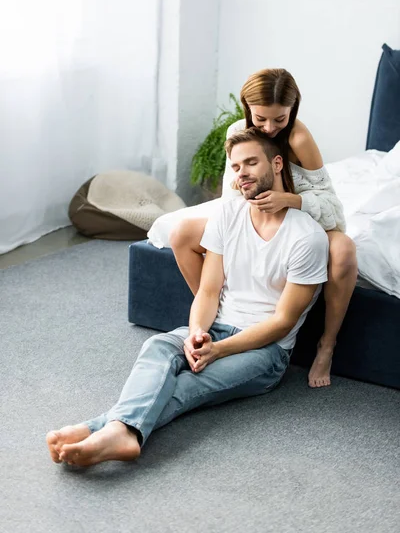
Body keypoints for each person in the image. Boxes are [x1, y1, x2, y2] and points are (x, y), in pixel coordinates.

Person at [46, 128, 329, 467]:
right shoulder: (229, 213)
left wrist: (218, 350)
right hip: (218, 327)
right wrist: (197, 332)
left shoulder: (307, 237)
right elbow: (209, 290)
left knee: (190, 383)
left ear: (277, 163)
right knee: (158, 347)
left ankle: (100, 428)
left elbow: (282, 323)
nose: (242, 174)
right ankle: (119, 433)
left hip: (266, 351)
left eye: (251, 163)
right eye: (236, 167)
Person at [170, 68, 357, 388]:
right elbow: (233, 199)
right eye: (261, 119)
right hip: (257, 216)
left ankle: (326, 343)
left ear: (292, 111)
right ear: (247, 109)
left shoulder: (299, 138)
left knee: (343, 249)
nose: (270, 128)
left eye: (280, 119)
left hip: (302, 219)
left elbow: (333, 209)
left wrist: (289, 200)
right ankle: (220, 323)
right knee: (181, 233)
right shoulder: (237, 132)